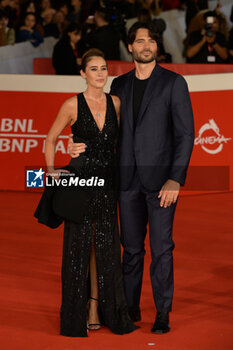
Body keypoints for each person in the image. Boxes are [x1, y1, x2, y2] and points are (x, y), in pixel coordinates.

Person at [68, 21, 195, 334]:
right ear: (131, 47)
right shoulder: (120, 86)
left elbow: (185, 134)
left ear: (157, 46)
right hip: (126, 182)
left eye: (151, 40)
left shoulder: (174, 83)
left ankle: (163, 312)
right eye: (140, 41)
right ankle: (131, 307)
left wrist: (175, 179)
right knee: (131, 249)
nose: (146, 45)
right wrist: (76, 143)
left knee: (162, 249)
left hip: (162, 182)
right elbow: (104, 131)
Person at [35, 48, 138, 337]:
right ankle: (78, 313)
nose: (100, 74)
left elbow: (124, 142)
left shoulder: (116, 102)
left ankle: (97, 306)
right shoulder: (72, 104)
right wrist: (52, 169)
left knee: (104, 247)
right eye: (94, 69)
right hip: (81, 182)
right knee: (79, 248)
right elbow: (51, 138)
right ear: (83, 73)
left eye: (104, 68)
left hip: (108, 184)